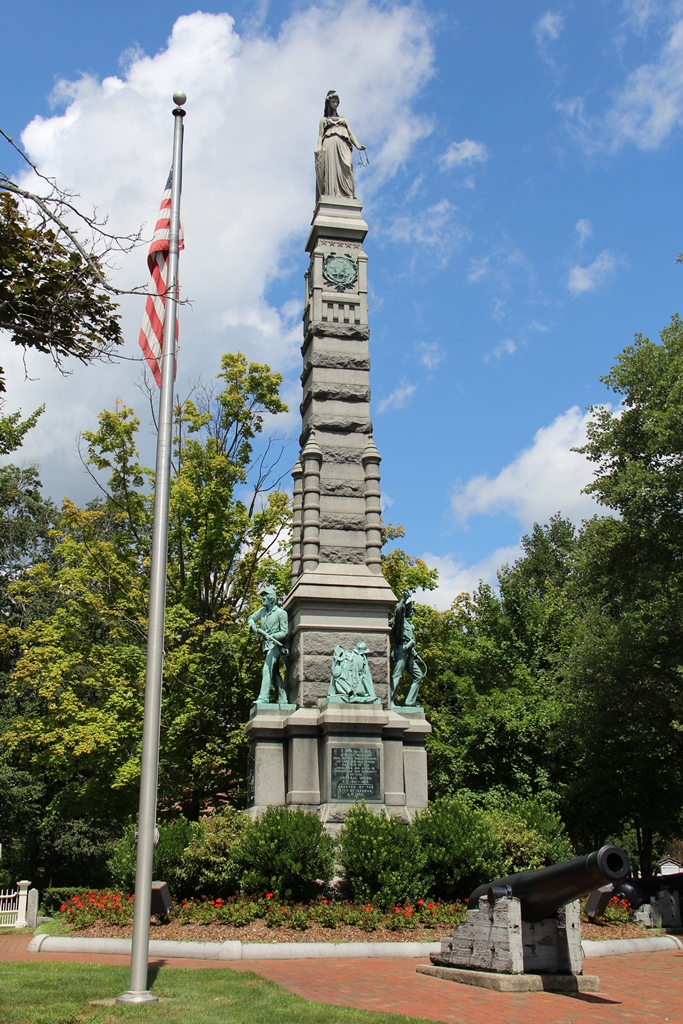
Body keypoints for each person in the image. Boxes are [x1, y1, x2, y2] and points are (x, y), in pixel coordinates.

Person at [315, 90, 366, 201]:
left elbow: (350, 133)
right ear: (328, 103)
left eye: (337, 101)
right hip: (329, 145)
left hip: (343, 145)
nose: (335, 103)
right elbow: (320, 136)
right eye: (333, 101)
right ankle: (332, 194)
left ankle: (348, 195)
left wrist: (357, 145)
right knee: (331, 171)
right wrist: (319, 149)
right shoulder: (324, 121)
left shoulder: (343, 119)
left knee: (347, 166)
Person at [248, 586, 289, 704]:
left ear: (271, 598)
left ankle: (263, 698)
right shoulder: (262, 611)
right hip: (266, 646)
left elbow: (284, 631)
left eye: (265, 596)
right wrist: (253, 626)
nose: (262, 598)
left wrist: (272, 636)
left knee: (266, 669)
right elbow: (250, 618)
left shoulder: (281, 613)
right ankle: (283, 698)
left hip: (275, 646)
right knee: (274, 672)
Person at [391, 589, 425, 707]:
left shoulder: (409, 624)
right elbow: (398, 612)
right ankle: (389, 700)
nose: (412, 611)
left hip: (409, 653)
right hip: (401, 650)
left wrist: (416, 655)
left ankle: (409, 701)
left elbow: (411, 640)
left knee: (418, 675)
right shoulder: (400, 622)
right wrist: (404, 600)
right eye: (410, 608)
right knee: (397, 675)